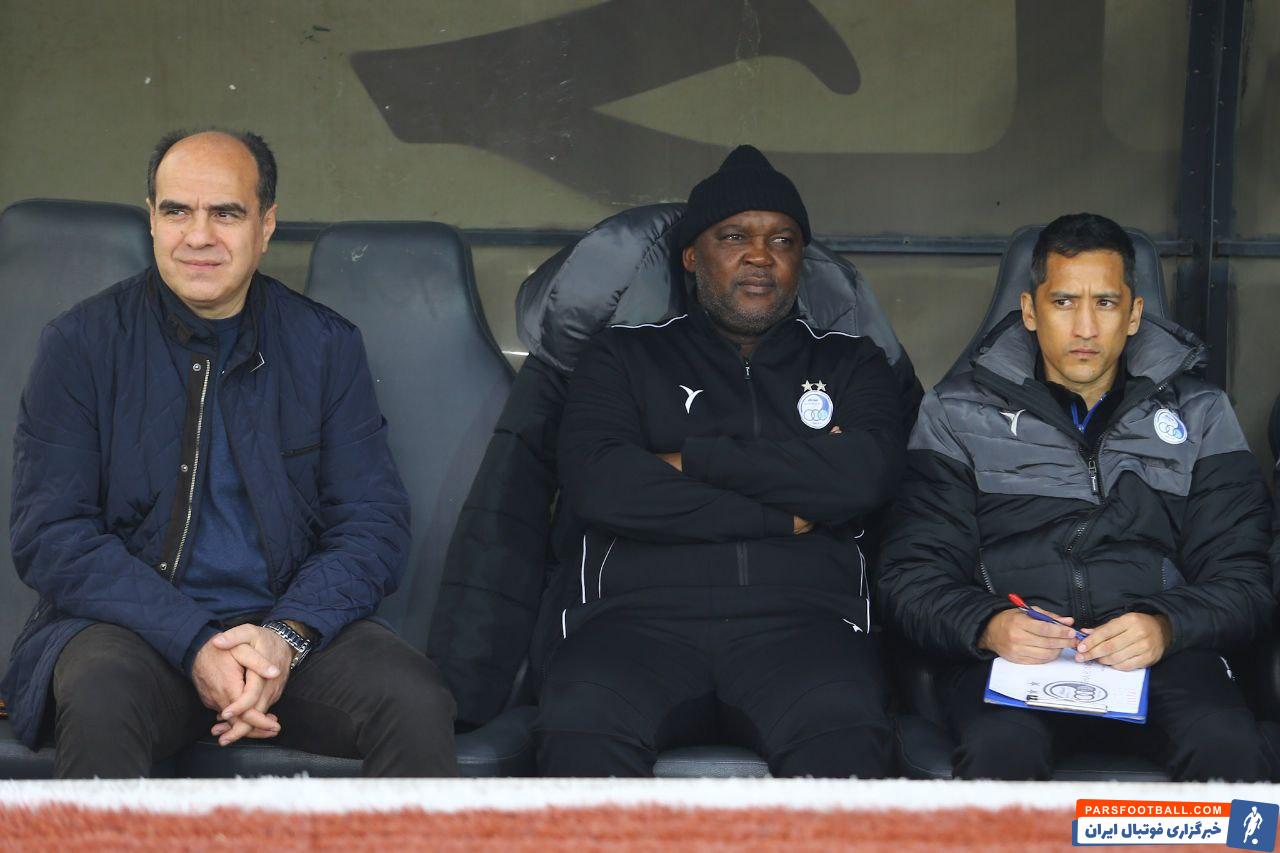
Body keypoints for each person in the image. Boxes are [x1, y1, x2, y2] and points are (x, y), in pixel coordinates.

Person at [1, 129, 456, 777]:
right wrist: (192, 641)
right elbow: (51, 533)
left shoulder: (325, 346)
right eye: (176, 211)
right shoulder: (81, 343)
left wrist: (285, 638)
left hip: (285, 634)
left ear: (266, 225)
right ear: (151, 220)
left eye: (226, 213)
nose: (198, 235)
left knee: (413, 700)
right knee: (101, 697)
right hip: (133, 632)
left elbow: (371, 524)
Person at [534, 145, 907, 777]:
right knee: (579, 723)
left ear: (800, 259)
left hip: (806, 627)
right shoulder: (623, 357)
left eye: (782, 240)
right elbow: (603, 484)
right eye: (734, 237)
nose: (760, 255)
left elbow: (864, 476)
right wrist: (782, 510)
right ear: (691, 255)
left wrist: (691, 458)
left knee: (846, 731)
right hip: (634, 626)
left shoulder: (852, 362)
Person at [877, 212, 1274, 781]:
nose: (1085, 327)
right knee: (1000, 753)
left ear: (1134, 314)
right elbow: (911, 574)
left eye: (1106, 303)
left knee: (1230, 746)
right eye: (1063, 302)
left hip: (1163, 655)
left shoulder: (1201, 414)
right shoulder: (957, 413)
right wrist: (989, 624)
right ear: (1030, 311)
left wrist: (1165, 625)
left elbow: (1245, 579)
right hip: (1016, 658)